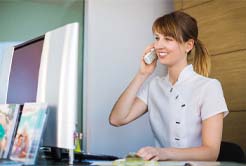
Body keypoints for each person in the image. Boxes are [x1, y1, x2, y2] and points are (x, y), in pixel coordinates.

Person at [109, 11, 229, 161]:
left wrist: (164, 153)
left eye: (168, 39)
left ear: (188, 45)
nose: (159, 45)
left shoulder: (209, 87)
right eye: (157, 38)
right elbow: (117, 119)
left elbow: (210, 153)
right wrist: (142, 74)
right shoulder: (154, 86)